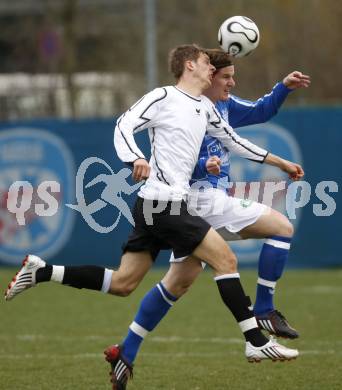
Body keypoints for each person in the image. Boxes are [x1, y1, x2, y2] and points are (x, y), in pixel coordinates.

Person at [5, 45, 300, 390]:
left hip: (156, 206)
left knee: (123, 283)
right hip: (165, 204)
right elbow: (123, 125)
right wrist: (134, 159)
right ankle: (255, 340)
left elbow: (235, 142)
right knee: (226, 259)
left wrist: (279, 163)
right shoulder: (162, 97)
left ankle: (41, 271)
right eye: (206, 62)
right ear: (190, 66)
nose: (211, 68)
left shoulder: (205, 108)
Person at [101, 49, 309, 388]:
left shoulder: (219, 106)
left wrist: (283, 89)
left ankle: (127, 351)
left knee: (177, 281)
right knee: (278, 229)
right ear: (203, 74)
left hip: (194, 203)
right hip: (195, 201)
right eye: (224, 76)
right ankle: (262, 320)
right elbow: (171, 154)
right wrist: (202, 167)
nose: (231, 82)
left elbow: (258, 114)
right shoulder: (180, 103)